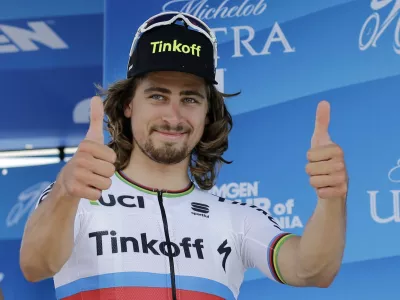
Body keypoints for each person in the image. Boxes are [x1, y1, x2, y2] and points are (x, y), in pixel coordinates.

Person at [19, 11, 348, 300]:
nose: (173, 116)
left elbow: (312, 271)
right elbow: (35, 265)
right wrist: (65, 190)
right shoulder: (76, 199)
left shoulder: (236, 220)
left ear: (208, 113)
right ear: (128, 104)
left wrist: (332, 199)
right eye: (158, 95)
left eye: (190, 99)